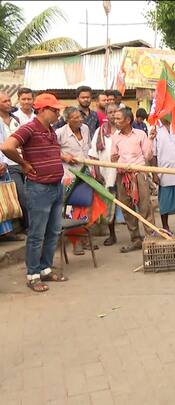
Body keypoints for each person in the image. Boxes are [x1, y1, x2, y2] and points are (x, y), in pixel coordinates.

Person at [1, 93, 68, 292]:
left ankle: (45, 268)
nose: (57, 113)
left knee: (53, 231)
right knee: (37, 234)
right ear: (43, 110)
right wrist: (23, 163)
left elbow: (49, 152)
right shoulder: (29, 127)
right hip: (39, 188)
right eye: (54, 110)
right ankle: (33, 274)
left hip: (55, 186)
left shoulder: (51, 130)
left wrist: (64, 156)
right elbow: (7, 146)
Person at [111, 108, 155, 253]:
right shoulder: (115, 137)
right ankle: (135, 239)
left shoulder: (141, 134)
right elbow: (113, 157)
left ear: (128, 120)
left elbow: (148, 156)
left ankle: (151, 238)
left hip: (139, 174)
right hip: (123, 177)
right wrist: (115, 161)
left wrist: (150, 139)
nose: (115, 121)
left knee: (145, 207)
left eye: (118, 119)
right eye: (115, 119)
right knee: (126, 207)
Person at [56, 106, 94, 255]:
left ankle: (84, 239)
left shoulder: (85, 129)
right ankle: (75, 242)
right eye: (75, 117)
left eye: (80, 116)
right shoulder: (59, 133)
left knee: (85, 208)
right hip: (68, 176)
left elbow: (88, 149)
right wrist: (63, 157)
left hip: (85, 173)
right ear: (67, 119)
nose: (80, 120)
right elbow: (52, 150)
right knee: (71, 210)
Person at [88, 103, 119, 246]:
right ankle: (112, 235)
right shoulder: (100, 132)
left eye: (116, 112)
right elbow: (93, 155)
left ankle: (135, 235)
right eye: (110, 112)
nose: (113, 114)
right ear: (106, 114)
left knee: (128, 205)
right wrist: (97, 172)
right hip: (106, 174)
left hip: (123, 174)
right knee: (109, 206)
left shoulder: (123, 131)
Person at [0, 91, 27, 236]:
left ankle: (26, 227)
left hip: (21, 162)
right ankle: (26, 227)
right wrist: (3, 162)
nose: (9, 103)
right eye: (5, 101)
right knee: (17, 197)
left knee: (26, 195)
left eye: (9, 100)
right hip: (7, 164)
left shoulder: (16, 119)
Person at [150, 118, 175, 232]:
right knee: (164, 203)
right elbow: (153, 154)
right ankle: (165, 226)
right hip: (163, 172)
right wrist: (155, 173)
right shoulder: (155, 128)